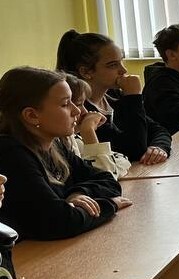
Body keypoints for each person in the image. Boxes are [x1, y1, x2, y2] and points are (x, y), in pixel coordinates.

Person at [0, 67, 131, 240]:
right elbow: (60, 221)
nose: (78, 111)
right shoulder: (10, 154)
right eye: (65, 104)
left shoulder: (54, 144)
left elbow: (107, 180)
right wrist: (110, 205)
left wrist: (78, 193)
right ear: (31, 115)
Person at [55, 30, 172, 164]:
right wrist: (133, 97)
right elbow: (134, 150)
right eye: (113, 65)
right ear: (86, 72)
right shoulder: (81, 111)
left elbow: (158, 130)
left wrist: (158, 147)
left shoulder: (114, 96)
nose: (123, 70)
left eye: (121, 62)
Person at [61, 75, 130, 180]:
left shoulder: (74, 139)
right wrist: (88, 131)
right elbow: (105, 178)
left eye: (82, 104)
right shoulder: (62, 143)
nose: (84, 111)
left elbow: (122, 160)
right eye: (78, 104)